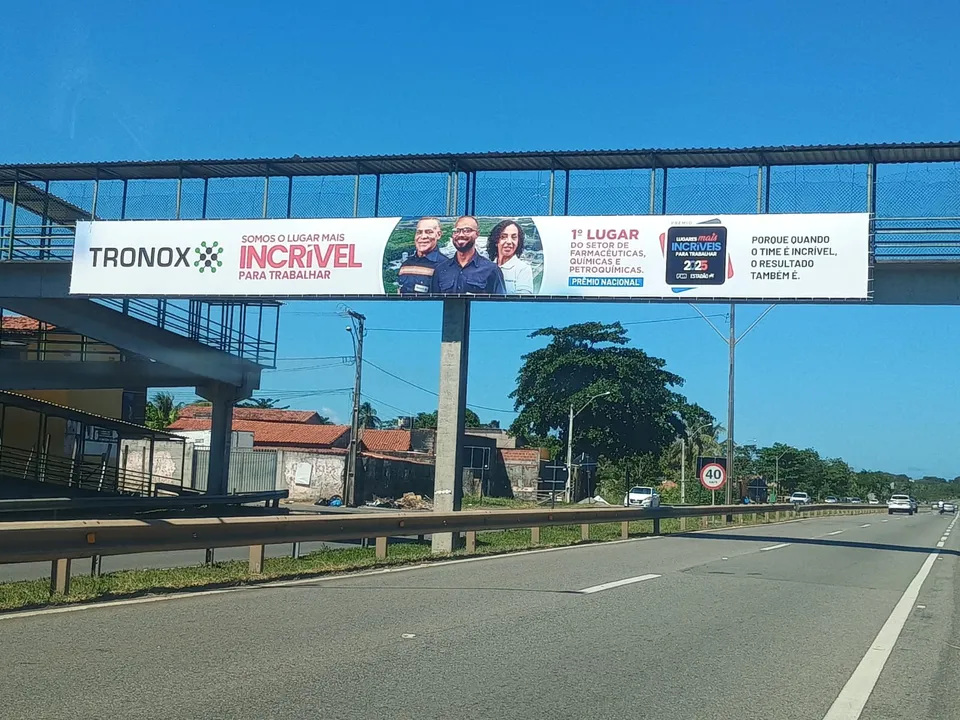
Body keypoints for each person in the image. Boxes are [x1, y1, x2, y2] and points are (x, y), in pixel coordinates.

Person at [431, 215, 506, 295]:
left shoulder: (491, 270)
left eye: (467, 230)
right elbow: (433, 305)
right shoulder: (441, 270)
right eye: (457, 231)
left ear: (477, 234)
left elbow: (500, 305)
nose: (461, 235)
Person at [397, 217, 444, 295]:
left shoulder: (445, 265)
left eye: (429, 232)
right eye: (419, 232)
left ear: (438, 235)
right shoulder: (406, 264)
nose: (423, 236)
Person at [486, 219, 534, 294]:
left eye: (514, 237)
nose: (509, 242)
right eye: (503, 237)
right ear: (496, 241)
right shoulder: (486, 267)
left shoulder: (523, 269)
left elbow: (523, 301)